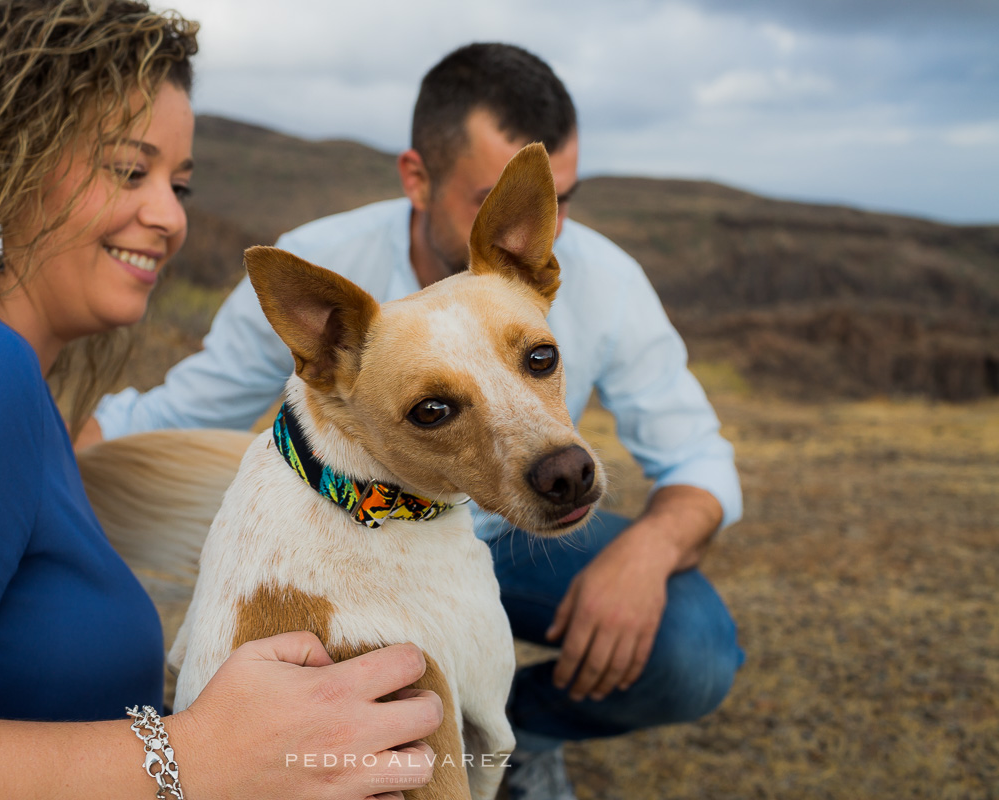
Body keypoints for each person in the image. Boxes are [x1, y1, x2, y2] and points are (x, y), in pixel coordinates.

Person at [0, 2, 443, 799]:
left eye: (180, 183)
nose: (170, 217)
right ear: (7, 163)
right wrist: (194, 757)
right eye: (128, 170)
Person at [90, 42, 746, 799]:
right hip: (372, 529)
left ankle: (520, 736)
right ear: (417, 176)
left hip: (501, 538)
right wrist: (50, 441)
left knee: (693, 647)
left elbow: (698, 457)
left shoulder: (592, 275)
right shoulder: (324, 272)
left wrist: (647, 553)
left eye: (563, 198)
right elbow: (183, 407)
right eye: (486, 195)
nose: (553, 222)